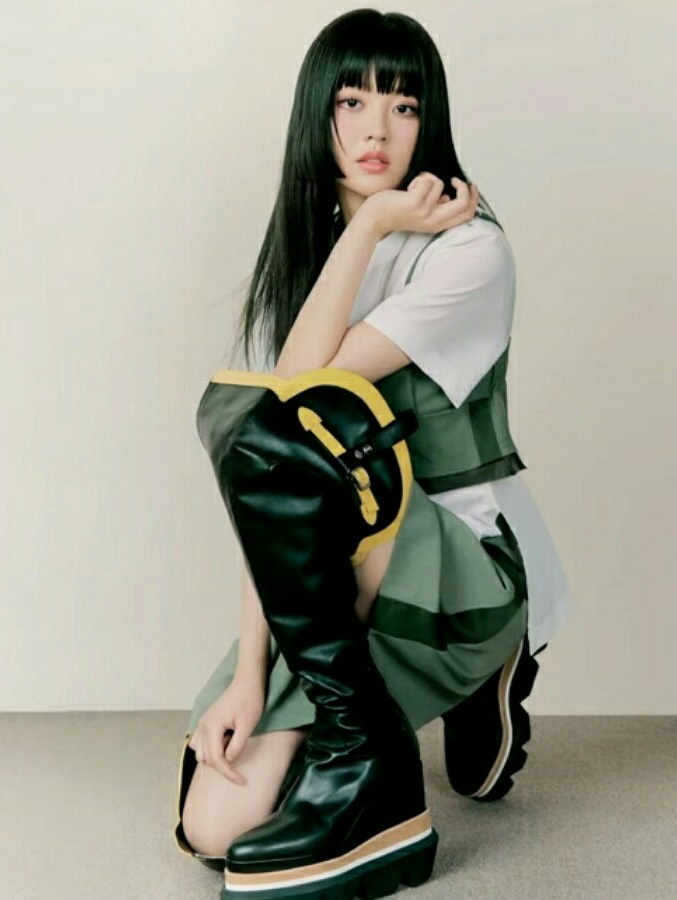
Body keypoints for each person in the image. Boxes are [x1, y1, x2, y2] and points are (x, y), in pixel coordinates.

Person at [173, 9, 572, 900]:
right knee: (213, 828)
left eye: (404, 104)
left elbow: (295, 412)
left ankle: (418, 726)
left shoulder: (471, 251)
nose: (377, 129)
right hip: (349, 568)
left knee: (285, 431)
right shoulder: (309, 261)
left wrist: (377, 224)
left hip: (466, 564)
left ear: (431, 121)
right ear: (318, 116)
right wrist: (248, 678)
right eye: (351, 102)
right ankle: (365, 736)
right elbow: (270, 493)